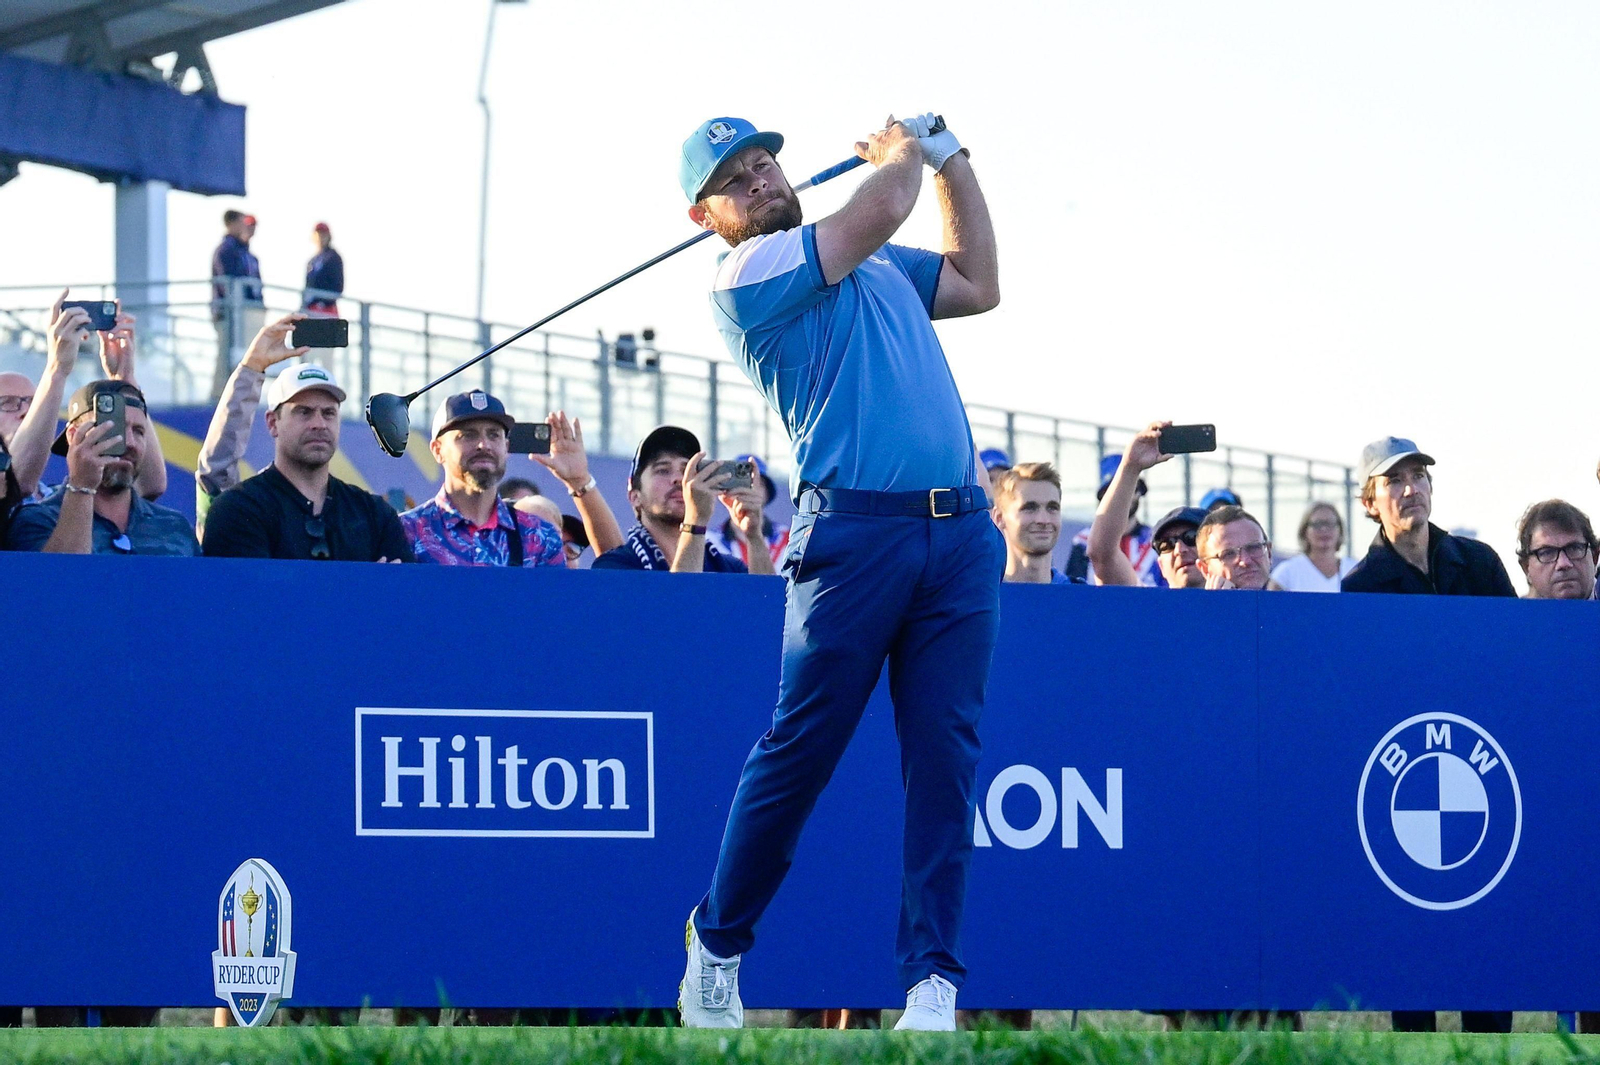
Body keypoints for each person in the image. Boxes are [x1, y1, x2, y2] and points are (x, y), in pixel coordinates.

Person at [677, 110, 1001, 1032]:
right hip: (853, 537)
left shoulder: (870, 262)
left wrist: (950, 161)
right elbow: (875, 213)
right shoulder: (747, 277)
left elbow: (979, 283)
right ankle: (718, 945)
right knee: (801, 750)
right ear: (708, 217)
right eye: (735, 181)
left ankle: (932, 983)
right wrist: (905, 153)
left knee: (945, 758)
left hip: (960, 537)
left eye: (765, 164)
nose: (762, 182)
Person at [201, 363, 409, 562]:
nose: (319, 424)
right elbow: (255, 595)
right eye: (304, 412)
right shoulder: (238, 509)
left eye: (329, 413)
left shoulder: (376, 514)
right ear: (273, 423)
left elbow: (405, 594)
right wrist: (369, 588)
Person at [8, 293, 167, 506]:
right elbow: (16, 485)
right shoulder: (43, 516)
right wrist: (57, 369)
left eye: (32, 401)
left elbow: (150, 487)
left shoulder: (52, 499)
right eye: (8, 403)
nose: (26, 410)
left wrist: (125, 379)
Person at [9, 381, 197, 556]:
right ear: (74, 435)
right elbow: (59, 582)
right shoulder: (38, 520)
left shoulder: (174, 527)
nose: (130, 443)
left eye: (139, 432)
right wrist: (82, 486)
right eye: (115, 428)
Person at [400, 391, 565, 567]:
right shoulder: (405, 532)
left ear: (506, 447)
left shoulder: (539, 538)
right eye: (468, 435)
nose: (483, 445)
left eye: (494, 435)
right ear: (437, 450)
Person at [1341, 437, 1515, 597]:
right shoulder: (1360, 587)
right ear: (1370, 504)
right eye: (1395, 481)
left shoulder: (1480, 561)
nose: (1411, 490)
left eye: (1418, 476)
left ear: (1430, 486)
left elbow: (1515, 628)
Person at [590, 425, 757, 574]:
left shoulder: (727, 567)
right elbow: (678, 604)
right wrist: (695, 521)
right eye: (663, 470)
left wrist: (755, 536)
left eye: (686, 471)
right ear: (635, 497)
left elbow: (769, 604)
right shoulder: (614, 566)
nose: (679, 479)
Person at [1075, 431, 1165, 586]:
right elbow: (1073, 594)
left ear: (1140, 492)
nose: (1123, 498)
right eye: (1112, 492)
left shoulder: (1159, 541)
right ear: (1103, 497)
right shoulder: (1083, 541)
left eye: (1132, 489)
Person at [211, 210, 265, 402]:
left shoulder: (248, 254)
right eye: (244, 223)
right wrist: (234, 308)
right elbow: (226, 283)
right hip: (229, 314)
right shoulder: (225, 250)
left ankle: (240, 394)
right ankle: (220, 396)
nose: (247, 229)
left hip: (248, 313)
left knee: (245, 354)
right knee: (226, 355)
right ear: (232, 224)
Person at [991, 462, 1075, 584]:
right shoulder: (982, 597)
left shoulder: (1080, 596)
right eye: (1029, 508)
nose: (1043, 520)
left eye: (1052, 508)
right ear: (999, 518)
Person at [709, 453, 789, 568]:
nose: (749, 490)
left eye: (758, 484)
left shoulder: (789, 540)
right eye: (741, 482)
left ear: (767, 493)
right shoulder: (709, 542)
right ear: (725, 491)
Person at [1515, 500, 1597, 601]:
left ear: (1594, 558)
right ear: (1526, 568)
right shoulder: (1511, 615)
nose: (1563, 563)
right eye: (1547, 552)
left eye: (1574, 548)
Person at [1270, 503, 1357, 592]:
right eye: (1317, 524)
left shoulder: (1355, 571)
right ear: (1305, 531)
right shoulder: (1287, 572)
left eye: (1330, 523)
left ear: (1340, 530)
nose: (1324, 529)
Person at [1195, 506, 1275, 591]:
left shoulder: (1290, 601)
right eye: (1229, 554)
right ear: (1206, 569)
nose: (1245, 561)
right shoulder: (1187, 604)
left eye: (1253, 548)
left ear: (1269, 553)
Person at [302, 222, 344, 315]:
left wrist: (324, 300)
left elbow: (338, 286)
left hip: (326, 308)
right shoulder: (312, 260)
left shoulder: (333, 257)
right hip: (310, 307)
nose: (321, 237)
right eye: (318, 234)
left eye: (323, 234)